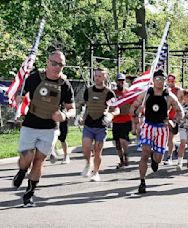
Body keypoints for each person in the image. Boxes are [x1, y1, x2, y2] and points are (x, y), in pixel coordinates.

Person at [12, 51, 76, 207]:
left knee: (39, 161)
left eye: (60, 64)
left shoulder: (65, 85)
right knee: (27, 158)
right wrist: (18, 98)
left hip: (49, 128)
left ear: (63, 66)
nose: (56, 67)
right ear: (47, 62)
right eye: (54, 63)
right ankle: (22, 171)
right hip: (30, 124)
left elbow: (72, 109)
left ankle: (29, 194)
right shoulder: (34, 78)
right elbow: (19, 94)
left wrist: (65, 115)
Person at [131, 69, 183, 194]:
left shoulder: (169, 96)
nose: (160, 81)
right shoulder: (146, 94)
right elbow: (133, 107)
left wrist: (173, 121)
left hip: (162, 128)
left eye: (162, 79)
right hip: (148, 126)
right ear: (153, 80)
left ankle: (155, 159)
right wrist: (136, 122)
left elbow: (180, 111)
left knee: (158, 158)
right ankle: (142, 182)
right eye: (157, 79)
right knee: (144, 154)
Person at [80, 68, 119, 182]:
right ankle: (88, 163)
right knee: (86, 146)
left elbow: (116, 109)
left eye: (100, 76)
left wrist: (111, 115)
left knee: (97, 150)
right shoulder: (88, 91)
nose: (97, 78)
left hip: (101, 125)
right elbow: (84, 105)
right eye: (96, 76)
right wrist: (81, 116)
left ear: (105, 77)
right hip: (89, 124)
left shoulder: (109, 93)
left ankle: (96, 172)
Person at [112, 73, 132, 169]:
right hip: (116, 120)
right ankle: (121, 161)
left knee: (123, 139)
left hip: (126, 119)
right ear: (116, 82)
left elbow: (134, 104)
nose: (121, 82)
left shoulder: (128, 93)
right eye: (119, 80)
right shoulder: (113, 93)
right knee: (117, 143)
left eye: (123, 80)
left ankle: (126, 157)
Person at [164, 74, 183, 165]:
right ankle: (175, 146)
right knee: (168, 137)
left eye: (172, 81)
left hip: (174, 117)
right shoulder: (164, 91)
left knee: (170, 137)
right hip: (165, 117)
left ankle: (169, 157)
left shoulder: (179, 91)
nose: (171, 82)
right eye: (169, 81)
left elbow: (182, 103)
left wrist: (178, 115)